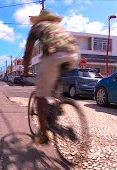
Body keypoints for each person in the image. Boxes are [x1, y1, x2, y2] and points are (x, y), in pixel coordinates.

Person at [22, 9, 80, 144]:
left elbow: (28, 51)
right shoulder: (58, 27)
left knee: (41, 96)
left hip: (54, 57)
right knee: (54, 86)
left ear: (40, 19)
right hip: (73, 56)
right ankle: (57, 106)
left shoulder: (36, 27)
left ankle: (43, 135)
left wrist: (25, 70)